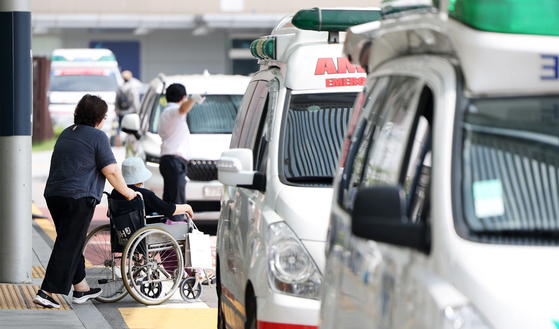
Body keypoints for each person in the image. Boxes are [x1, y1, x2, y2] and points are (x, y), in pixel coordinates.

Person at [33, 94, 137, 309]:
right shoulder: (97, 137)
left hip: (54, 195)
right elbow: (112, 171)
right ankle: (47, 291)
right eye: (105, 117)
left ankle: (81, 289)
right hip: (78, 197)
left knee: (72, 241)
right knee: (68, 244)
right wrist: (128, 192)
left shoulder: (65, 133)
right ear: (99, 117)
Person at [157, 83, 205, 221]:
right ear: (183, 97)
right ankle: (177, 234)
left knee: (170, 201)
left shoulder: (166, 113)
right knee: (177, 203)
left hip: (170, 161)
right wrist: (193, 99)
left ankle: (168, 233)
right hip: (174, 162)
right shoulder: (172, 112)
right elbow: (183, 109)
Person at [110, 157, 194, 221]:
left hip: (123, 232)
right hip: (143, 232)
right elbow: (167, 209)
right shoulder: (144, 195)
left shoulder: (115, 192)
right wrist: (187, 207)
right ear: (141, 180)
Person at [115, 70, 143, 146]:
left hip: (121, 112)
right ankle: (129, 143)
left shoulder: (120, 88)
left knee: (120, 127)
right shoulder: (132, 88)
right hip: (130, 112)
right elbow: (135, 101)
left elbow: (116, 100)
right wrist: (137, 111)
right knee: (131, 129)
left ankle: (119, 140)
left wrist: (117, 110)